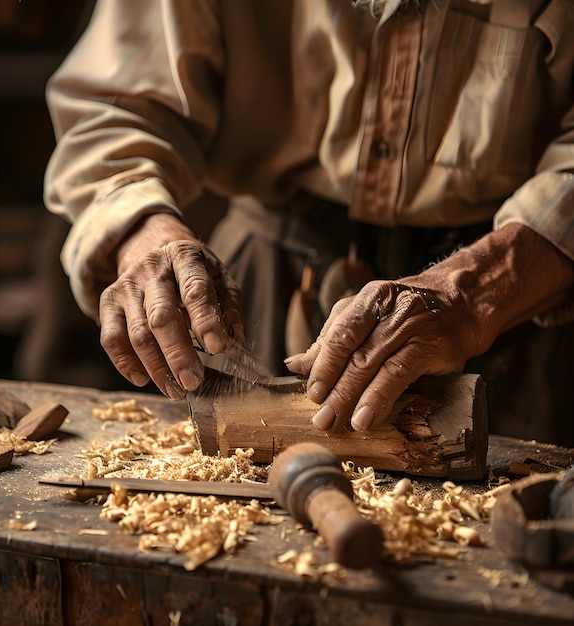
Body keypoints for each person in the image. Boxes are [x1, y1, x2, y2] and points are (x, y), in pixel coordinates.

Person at [44, 0, 574, 442]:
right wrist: (145, 232)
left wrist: (472, 292)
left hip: (518, 296)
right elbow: (111, 110)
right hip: (261, 285)